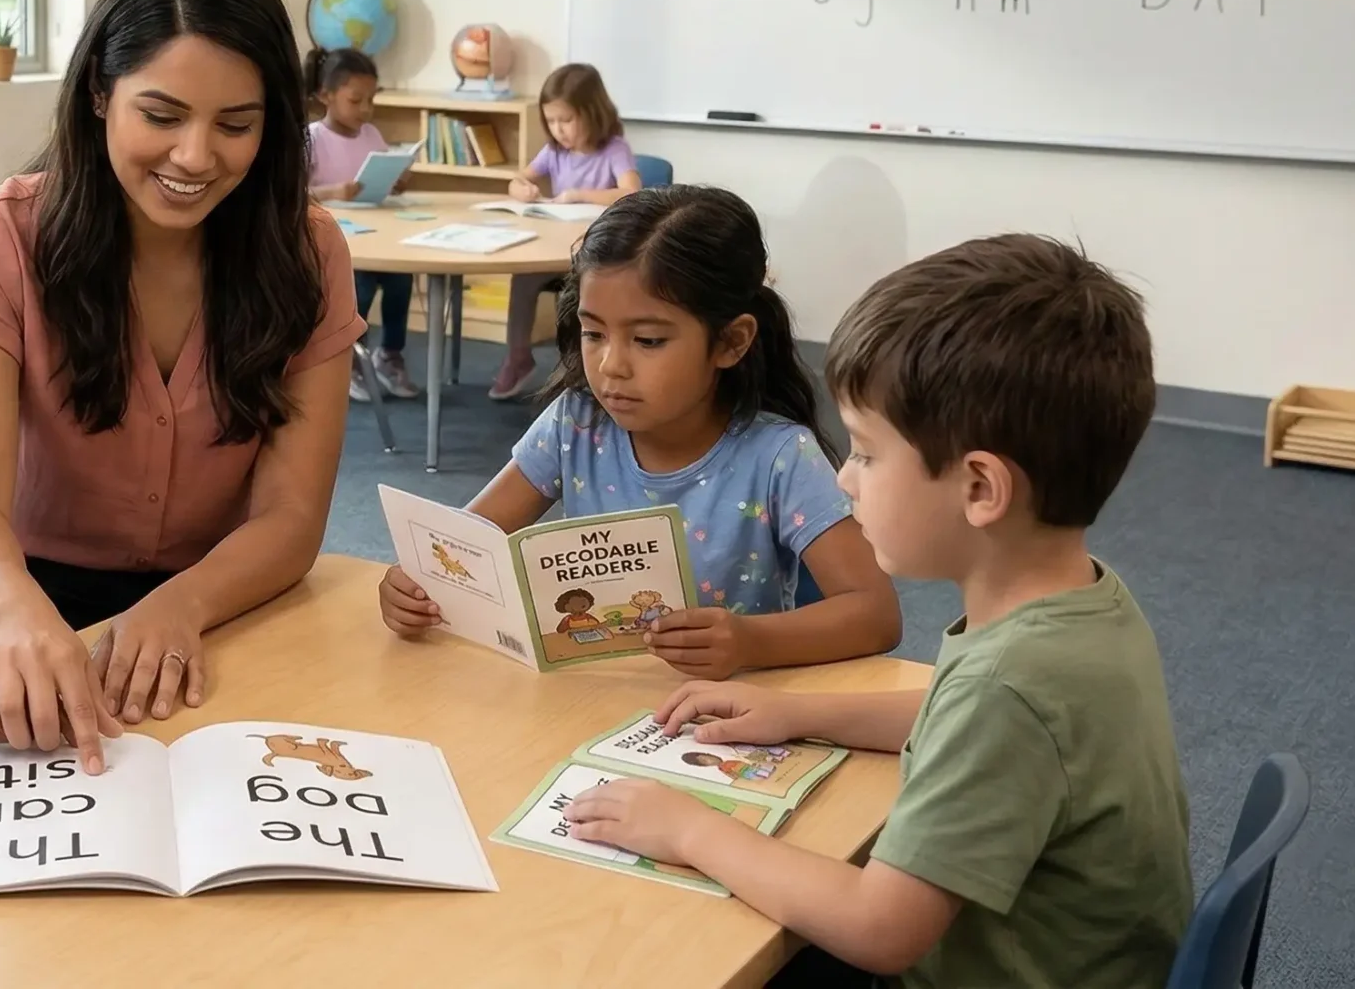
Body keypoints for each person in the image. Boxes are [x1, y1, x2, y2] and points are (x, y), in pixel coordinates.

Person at [565, 234, 1189, 989]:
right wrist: (798, 714)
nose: (847, 482)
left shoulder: (1007, 689)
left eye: (864, 453)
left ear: (981, 490)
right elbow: (951, 708)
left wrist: (689, 828)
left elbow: (881, 928)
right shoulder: (1080, 601)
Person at [0, 0, 363, 773]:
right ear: (98, 93)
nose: (196, 157)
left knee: (261, 757)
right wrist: (20, 615)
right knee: (40, 742)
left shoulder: (308, 252)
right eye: (161, 117)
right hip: (5, 581)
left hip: (217, 588)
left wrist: (182, 605)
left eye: (236, 124)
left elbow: (291, 518)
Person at [380, 185, 902, 677]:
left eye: (648, 340)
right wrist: (417, 583)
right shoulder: (575, 424)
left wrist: (750, 642)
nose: (610, 366)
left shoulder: (781, 456)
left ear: (731, 342)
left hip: (724, 712)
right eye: (593, 333)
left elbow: (876, 614)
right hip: (589, 694)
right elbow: (468, 541)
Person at [492, 62, 640, 401]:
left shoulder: (614, 149)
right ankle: (518, 356)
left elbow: (631, 191)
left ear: (593, 112)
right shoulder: (555, 152)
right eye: (552, 122)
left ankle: (580, 369)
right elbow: (519, 179)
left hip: (596, 257)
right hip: (553, 250)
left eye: (567, 120)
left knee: (584, 293)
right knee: (522, 278)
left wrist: (579, 195)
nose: (559, 130)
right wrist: (521, 190)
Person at [303, 44, 417, 401]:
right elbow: (294, 194)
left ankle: (389, 355)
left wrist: (397, 178)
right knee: (360, 289)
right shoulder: (311, 138)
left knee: (401, 283)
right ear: (326, 95)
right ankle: (351, 360)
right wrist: (334, 190)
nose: (366, 110)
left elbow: (379, 175)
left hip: (376, 236)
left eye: (371, 100)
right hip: (335, 242)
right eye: (356, 100)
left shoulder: (371, 135)